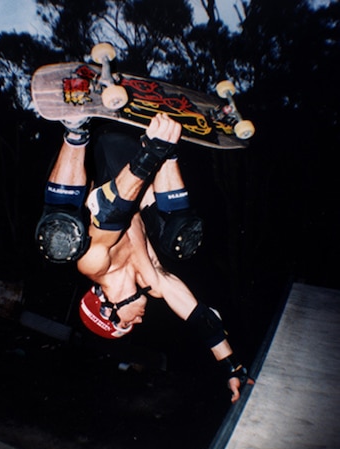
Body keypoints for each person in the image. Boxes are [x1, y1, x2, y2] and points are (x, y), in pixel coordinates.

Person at [36, 113, 251, 403]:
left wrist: (151, 150)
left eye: (124, 325)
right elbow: (200, 317)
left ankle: (74, 130)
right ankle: (170, 153)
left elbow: (111, 212)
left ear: (106, 309)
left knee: (61, 242)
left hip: (103, 153)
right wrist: (232, 367)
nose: (136, 323)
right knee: (179, 242)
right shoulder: (153, 279)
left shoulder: (92, 265)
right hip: (141, 154)